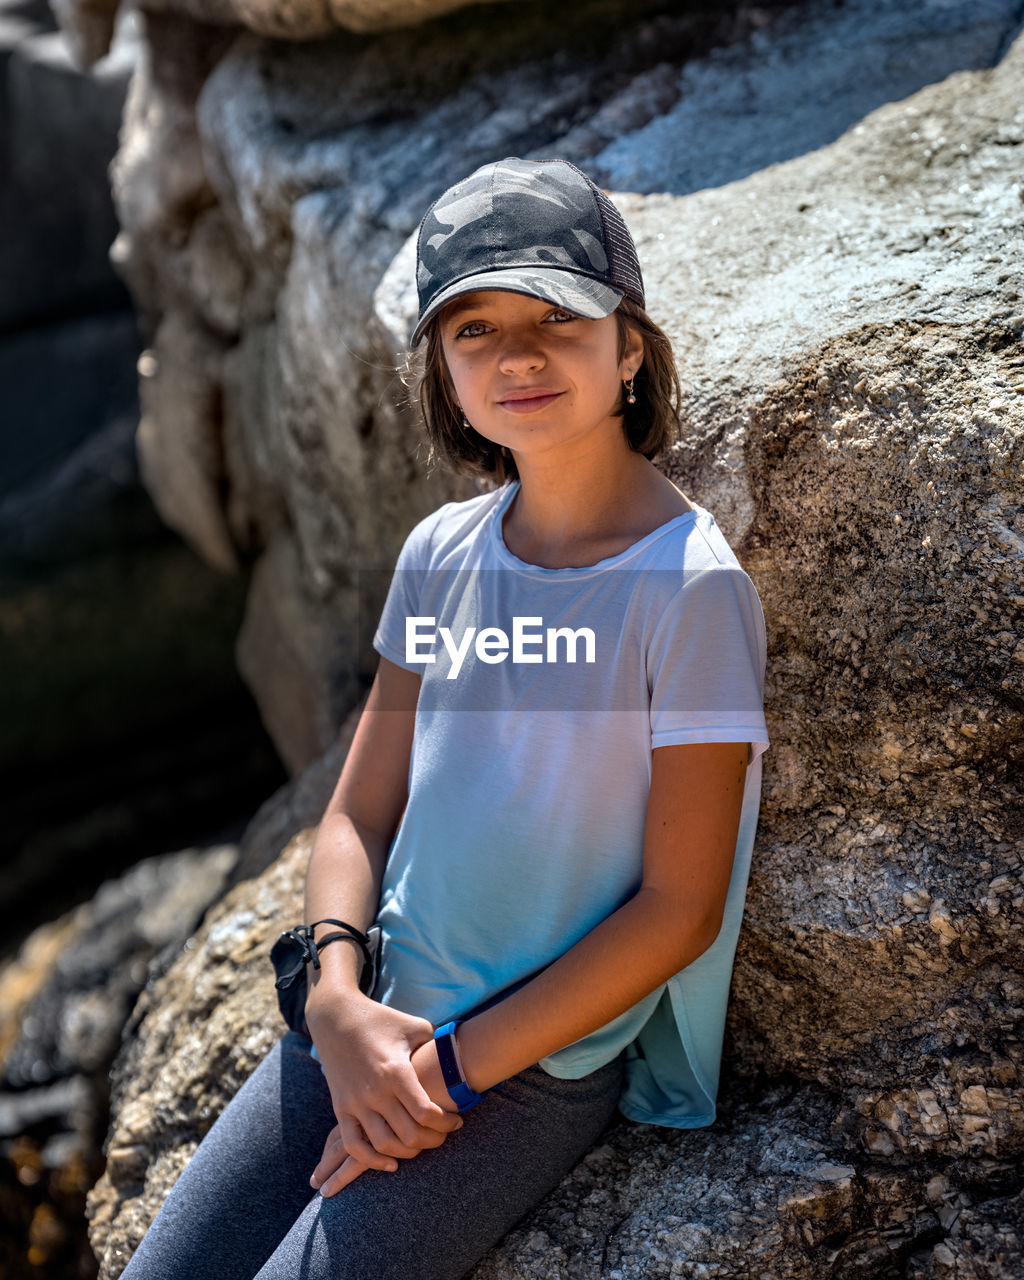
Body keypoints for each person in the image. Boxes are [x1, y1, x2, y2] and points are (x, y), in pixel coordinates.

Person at [119, 156, 769, 1280]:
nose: (516, 354)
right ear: (441, 371)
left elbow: (677, 909)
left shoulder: (687, 585)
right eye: (473, 330)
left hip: (523, 1067)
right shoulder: (440, 554)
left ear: (629, 348)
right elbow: (356, 815)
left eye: (556, 318)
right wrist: (332, 1002)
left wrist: (445, 1072)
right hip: (365, 1017)